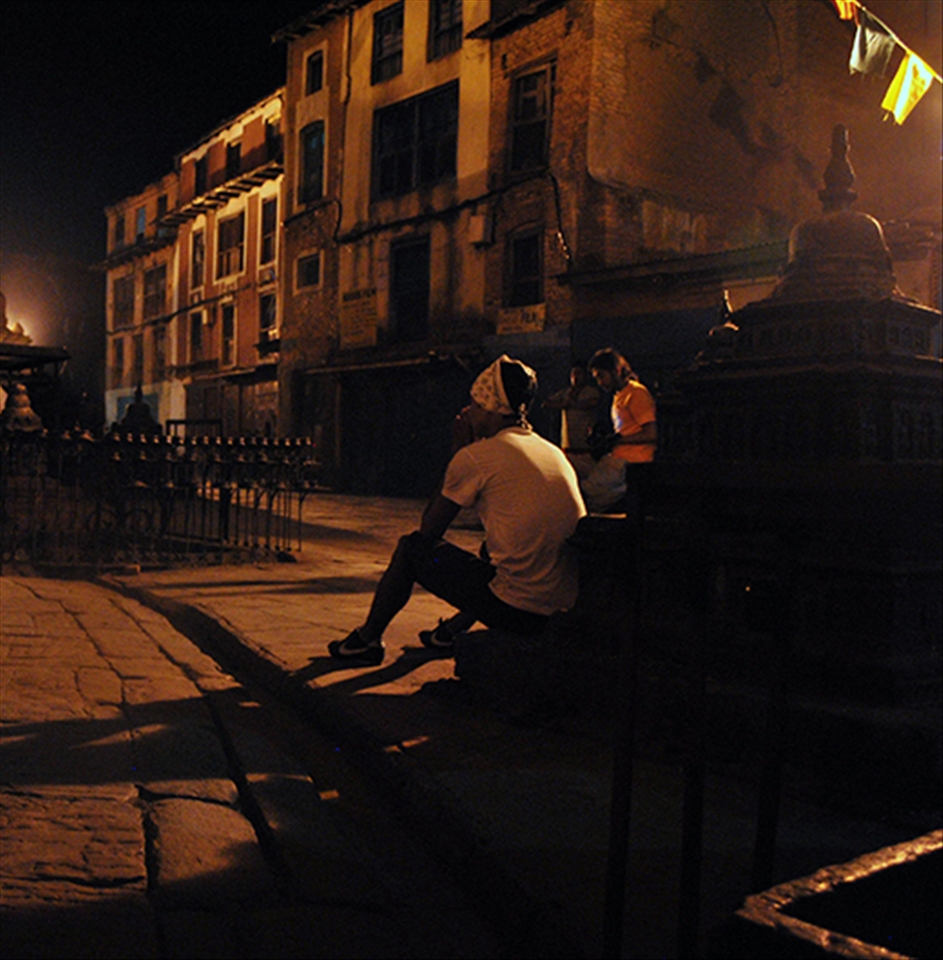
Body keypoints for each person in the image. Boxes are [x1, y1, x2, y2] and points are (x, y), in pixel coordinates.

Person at [328, 355, 587, 665]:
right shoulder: (551, 451)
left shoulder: (478, 455)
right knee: (490, 551)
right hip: (562, 607)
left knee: (411, 549)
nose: (468, 413)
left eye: (475, 405)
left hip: (519, 610)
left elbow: (430, 530)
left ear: (492, 410)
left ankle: (367, 640)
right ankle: (450, 631)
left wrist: (458, 452)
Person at [581, 348, 657, 513]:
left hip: (632, 461)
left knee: (586, 494)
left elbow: (651, 434)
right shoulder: (619, 395)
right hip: (619, 457)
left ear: (616, 370)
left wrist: (617, 440)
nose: (600, 383)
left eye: (601, 376)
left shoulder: (636, 393)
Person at [542, 361, 601, 480]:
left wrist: (571, 404)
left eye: (579, 373)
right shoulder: (565, 393)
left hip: (585, 446)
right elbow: (546, 403)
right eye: (573, 374)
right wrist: (563, 404)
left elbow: (591, 403)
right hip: (567, 445)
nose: (576, 377)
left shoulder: (590, 392)